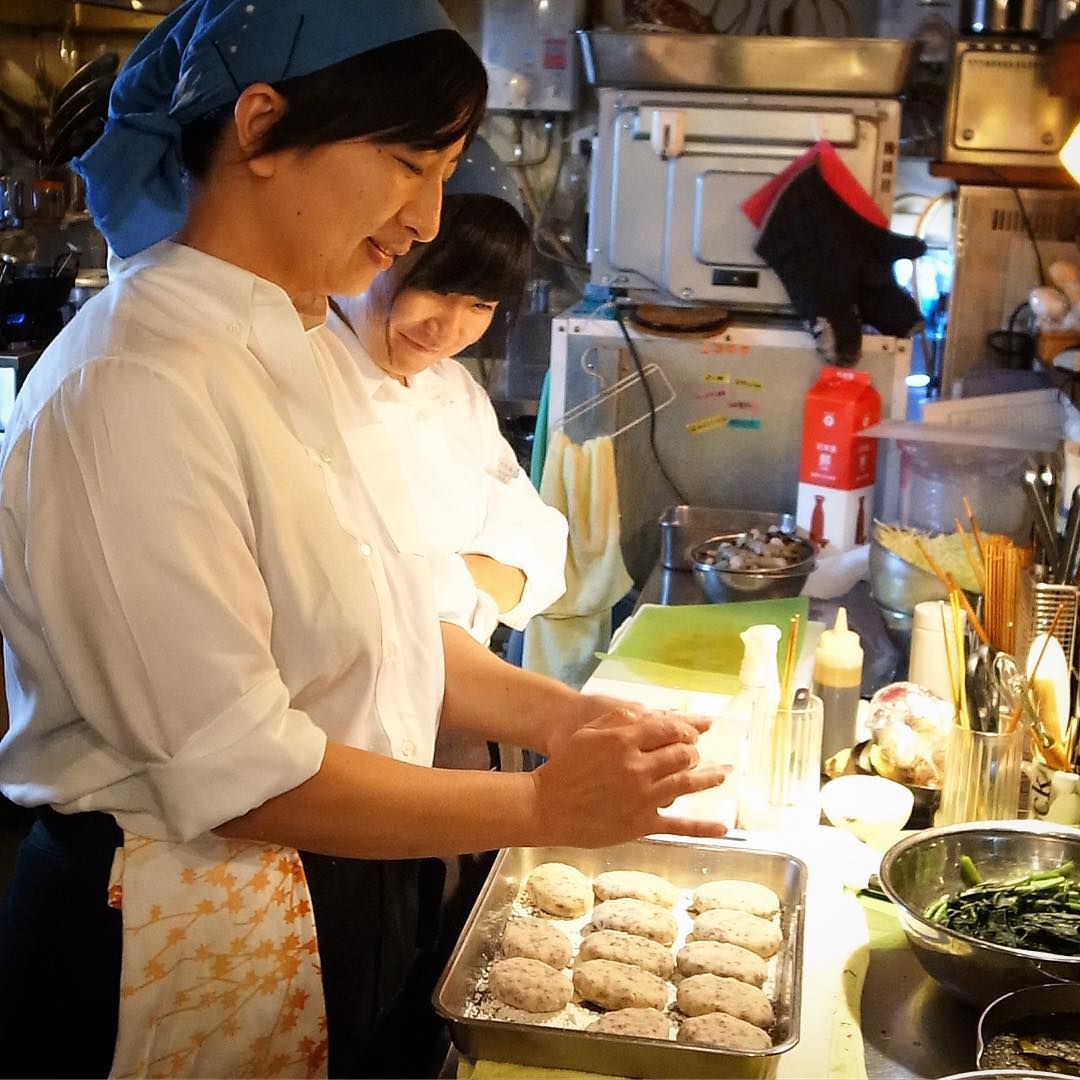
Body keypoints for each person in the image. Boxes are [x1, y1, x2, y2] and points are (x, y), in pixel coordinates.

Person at [0, 2, 728, 1078]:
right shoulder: (136, 383)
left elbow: (392, 638)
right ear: (257, 129)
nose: (429, 218)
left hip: (340, 873)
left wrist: (574, 718)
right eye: (405, 163)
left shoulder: (293, 351)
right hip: (175, 921)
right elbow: (238, 768)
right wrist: (536, 803)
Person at [330, 189, 568, 648]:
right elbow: (362, 600)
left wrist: (442, 586)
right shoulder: (309, 377)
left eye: (480, 306)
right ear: (378, 257)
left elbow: (543, 547)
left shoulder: (453, 387)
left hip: (449, 689)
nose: (449, 329)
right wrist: (479, 583)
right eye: (435, 289)